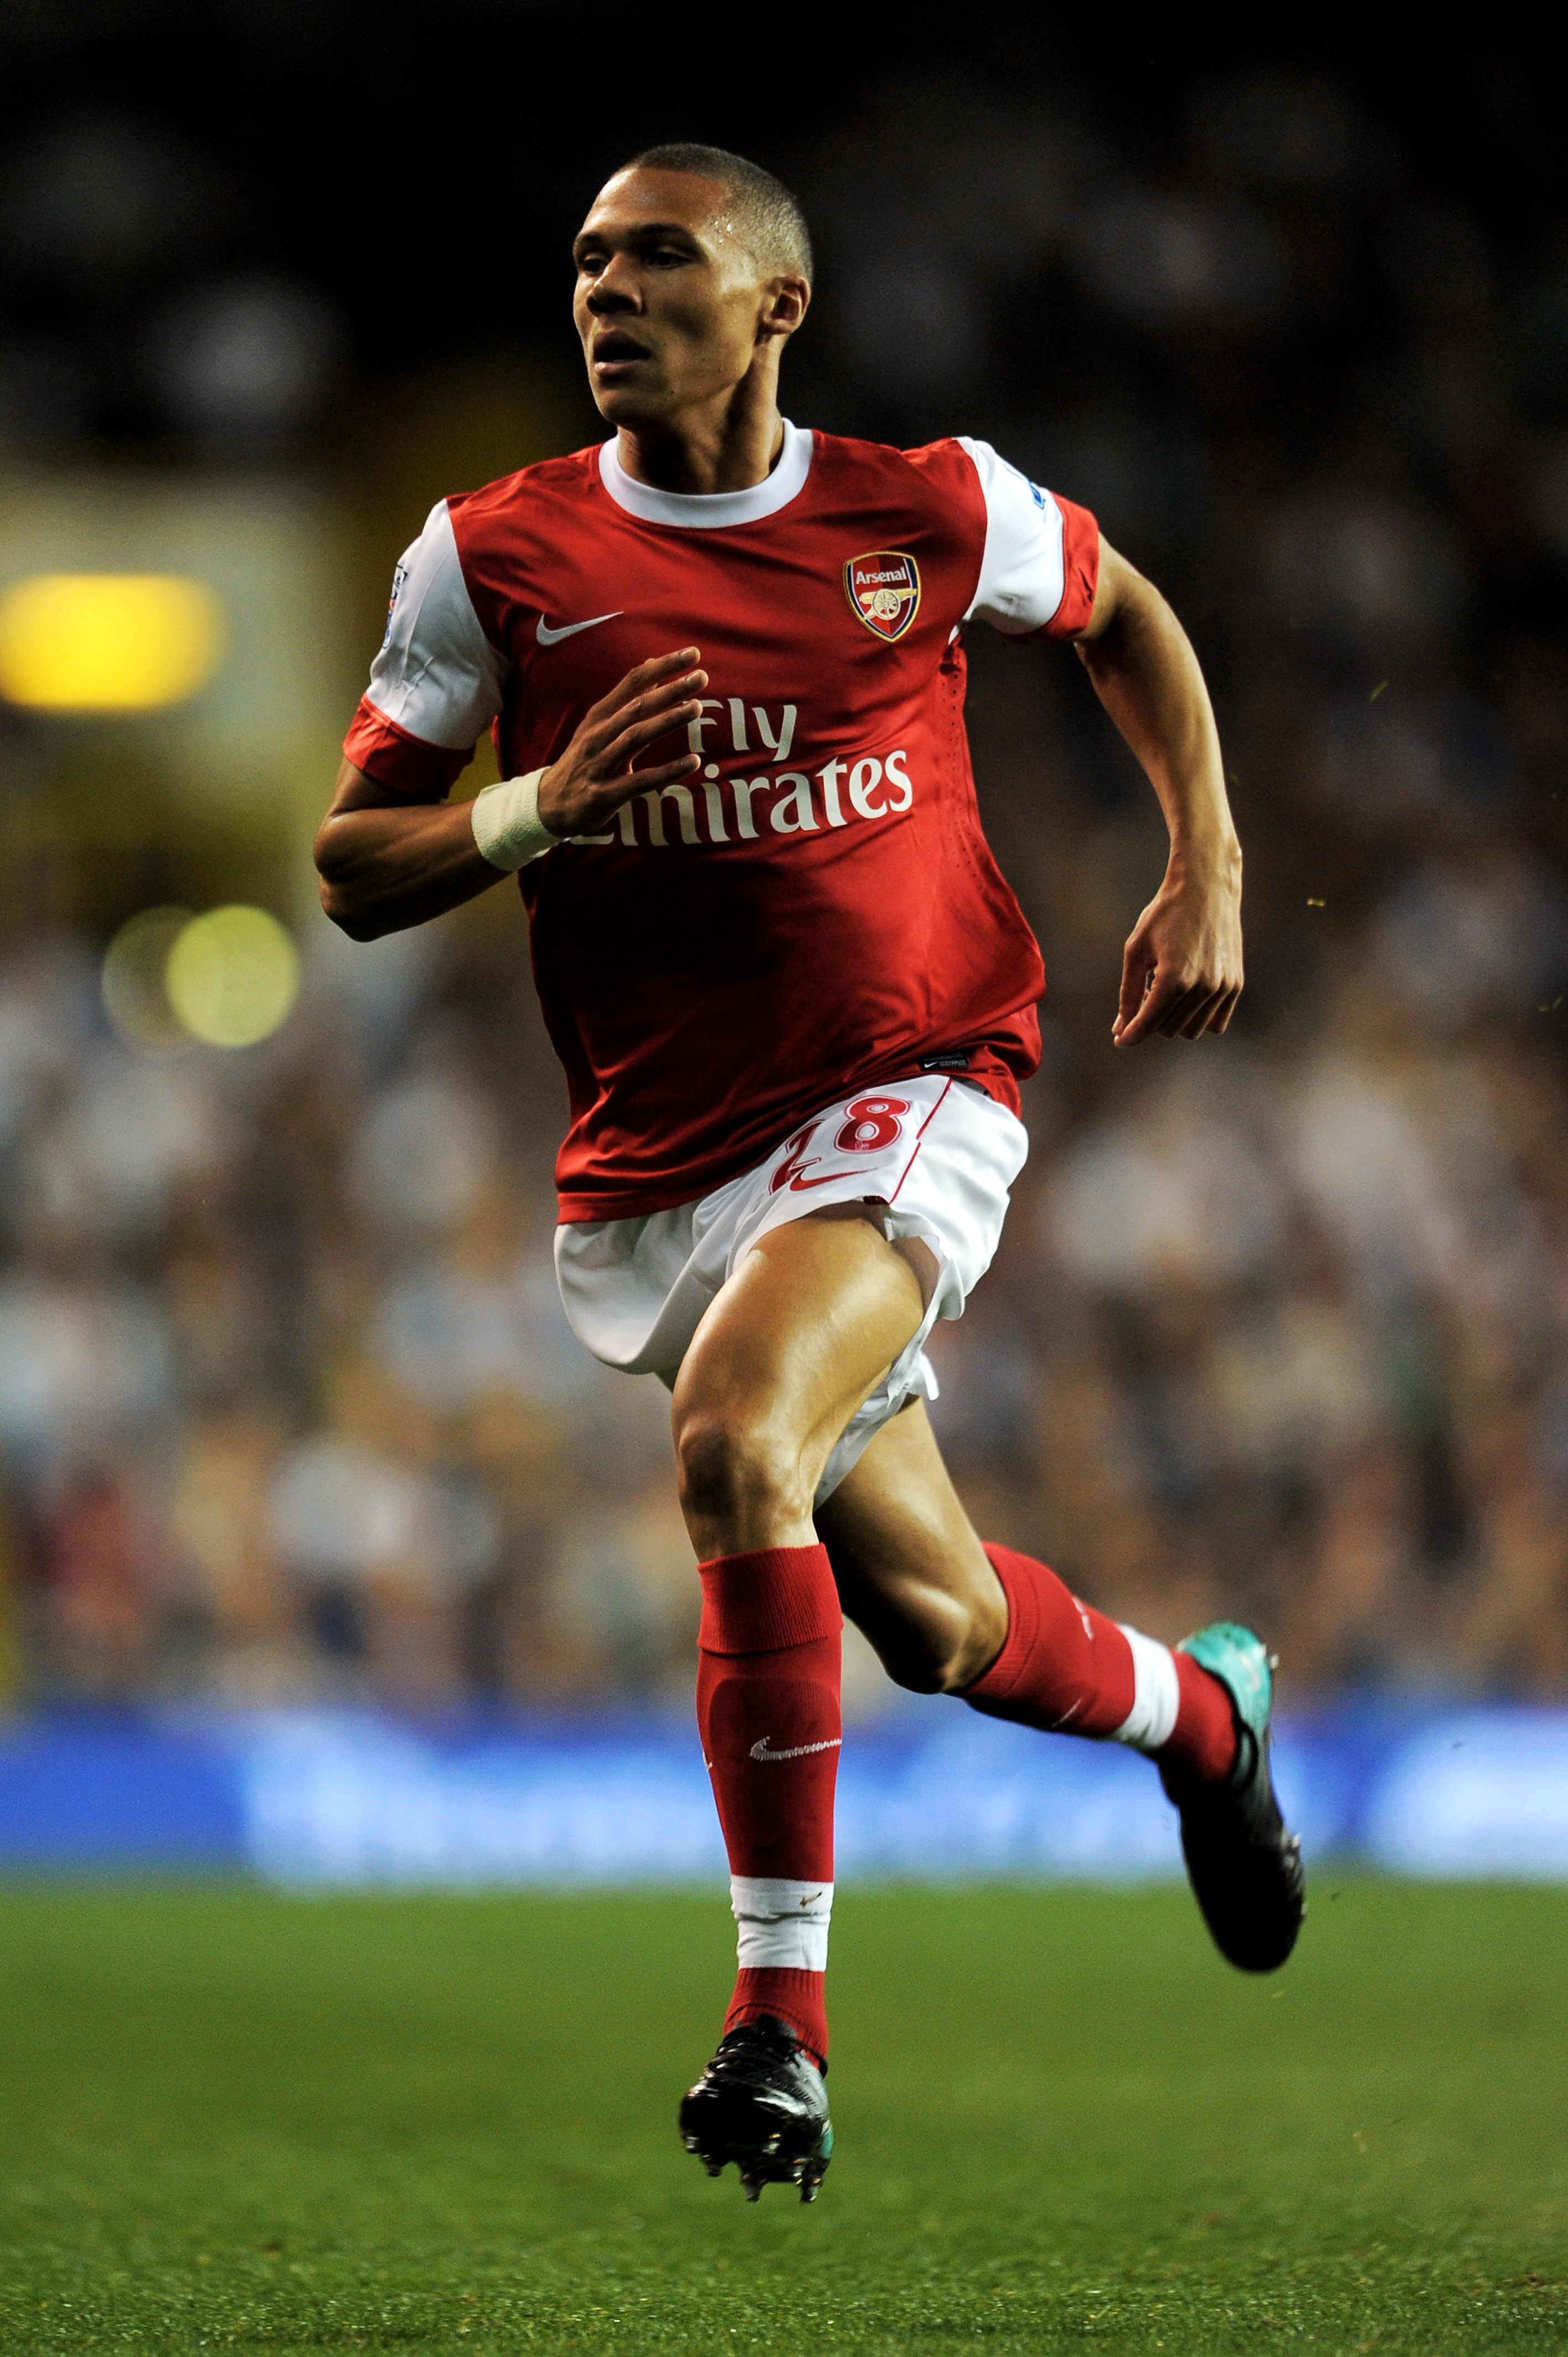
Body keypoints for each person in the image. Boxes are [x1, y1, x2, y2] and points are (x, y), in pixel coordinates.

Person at [315, 141, 1303, 2206]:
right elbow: (352, 866)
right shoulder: (488, 556)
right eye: (585, 257)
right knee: (934, 1623)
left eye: (658, 255)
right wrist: (537, 812)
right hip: (665, 1158)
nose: (605, 289)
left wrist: (1203, 854)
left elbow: (1122, 609)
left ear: (776, 305)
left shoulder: (922, 506)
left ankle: (780, 2025)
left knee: (737, 1436)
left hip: (923, 1075)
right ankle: (1207, 1726)